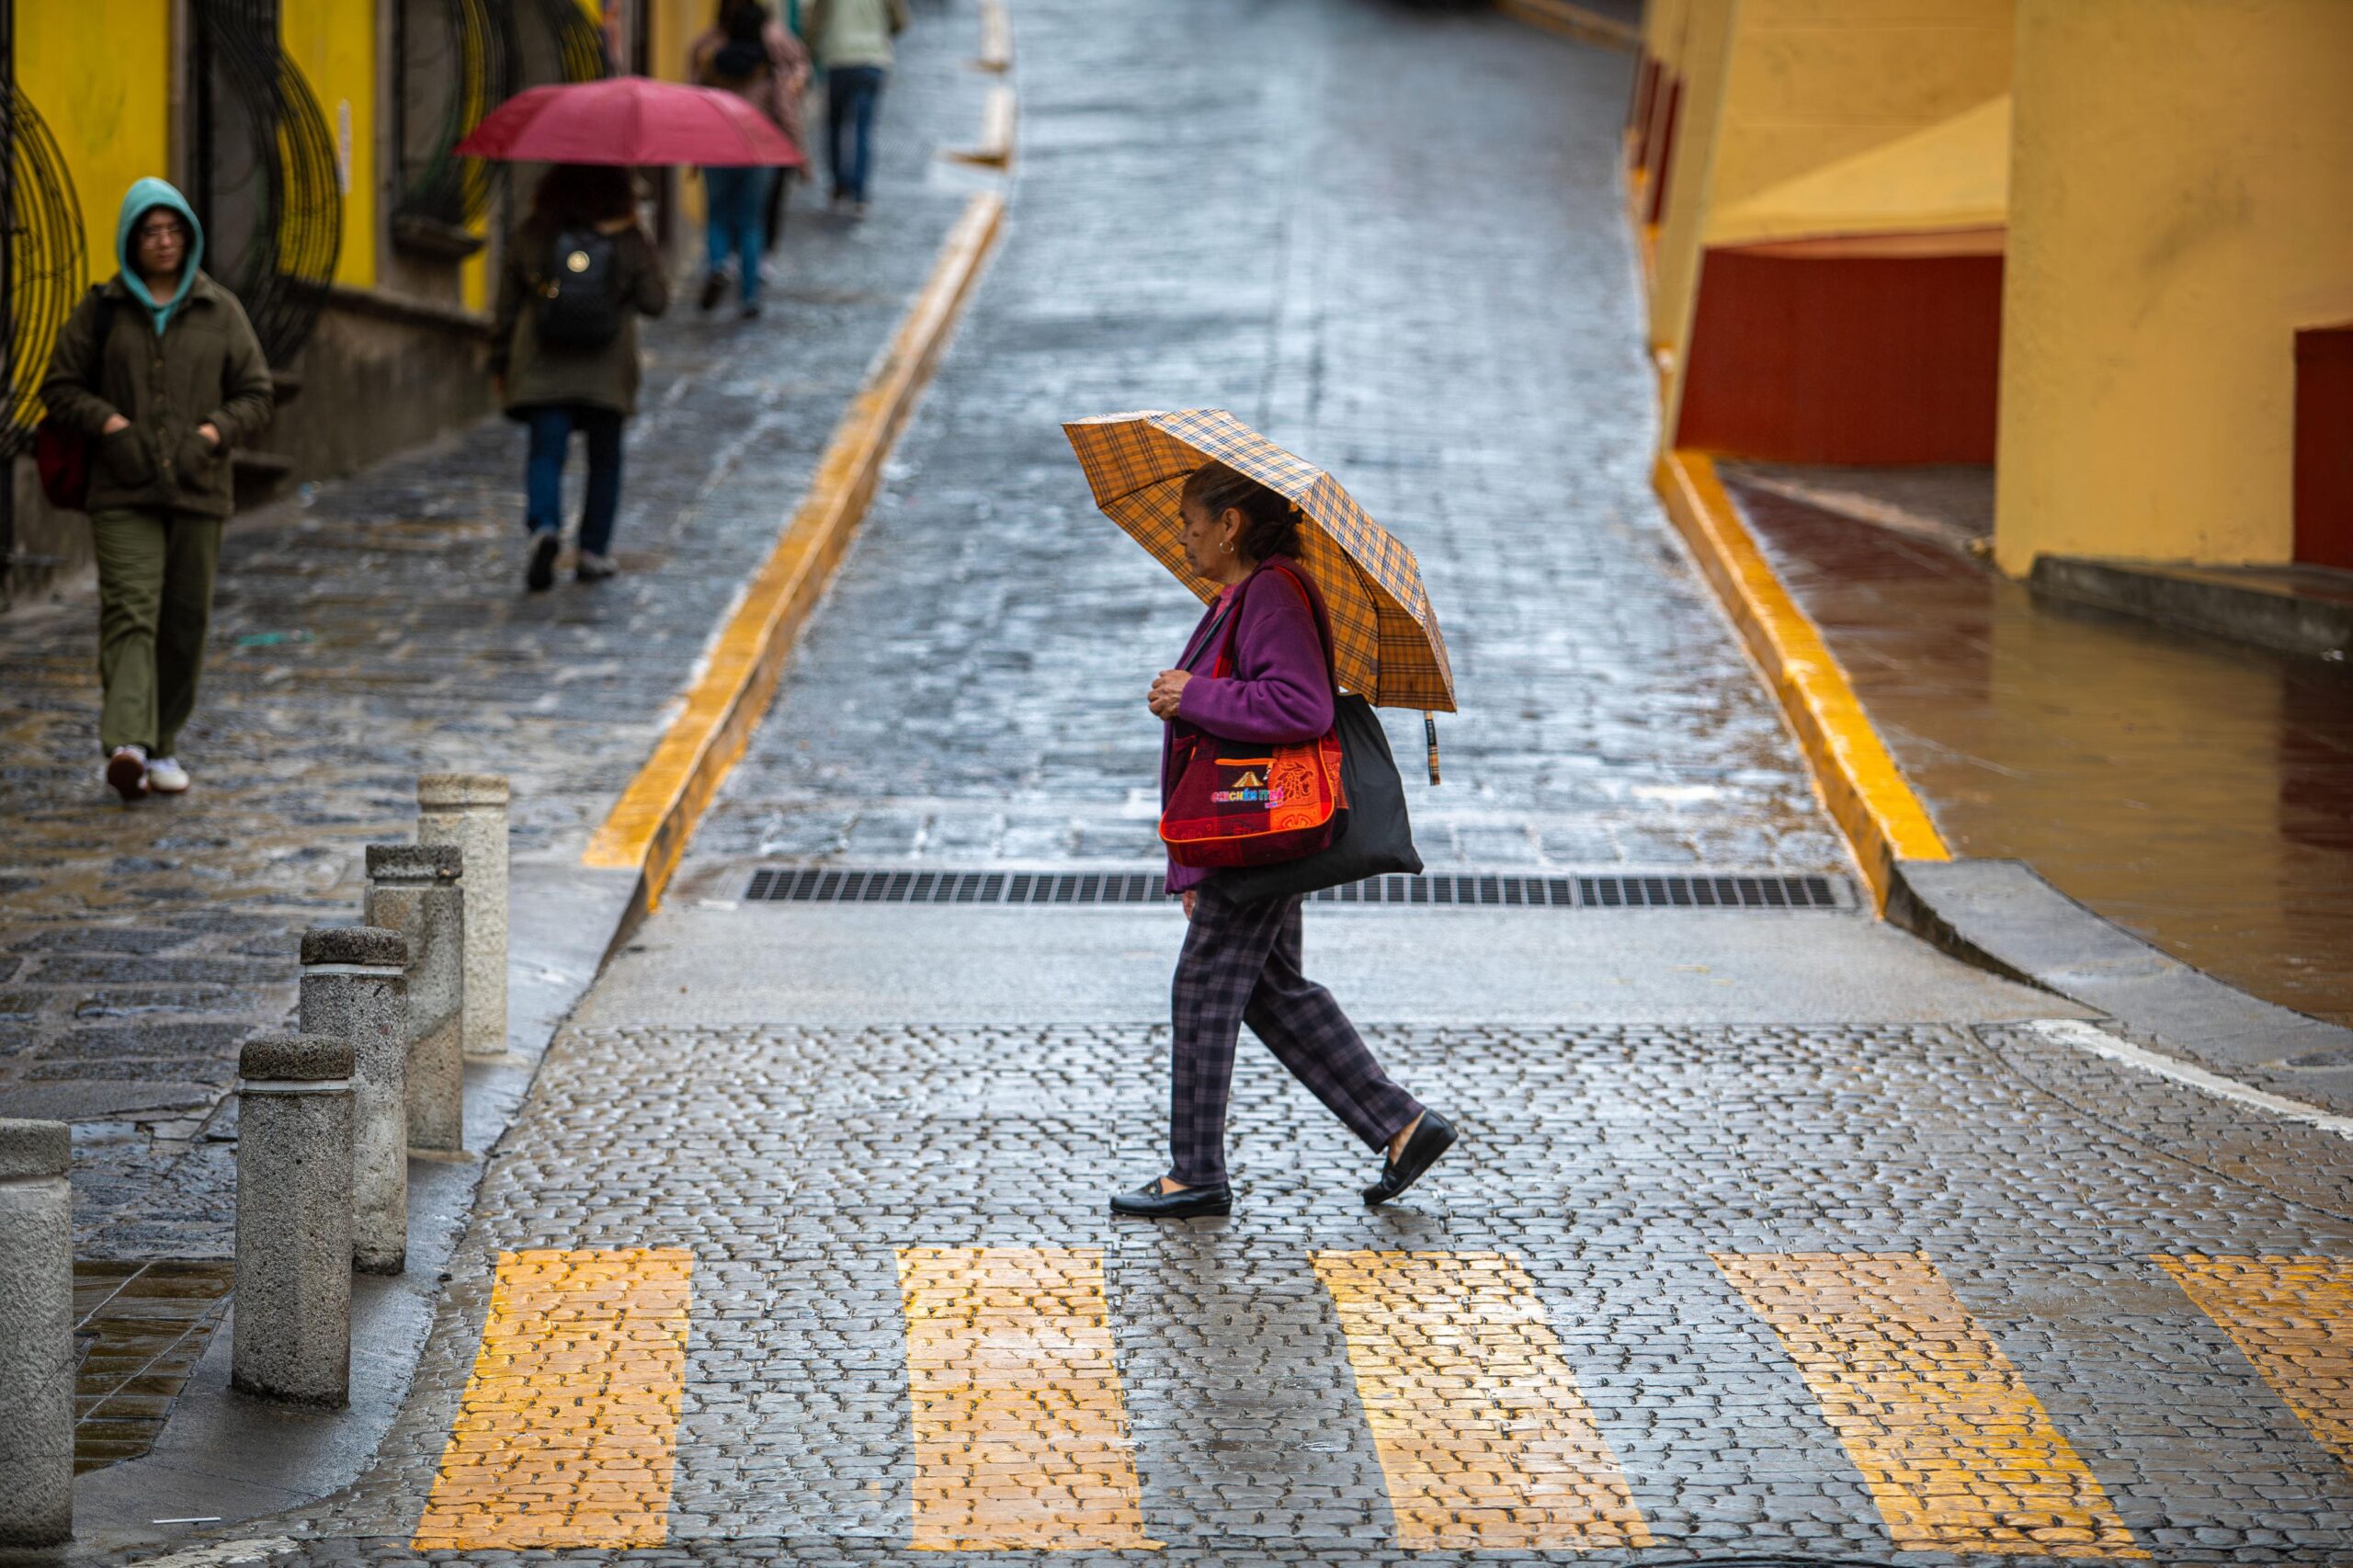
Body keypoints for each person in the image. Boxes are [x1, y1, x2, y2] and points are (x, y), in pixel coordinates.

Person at [1111, 462, 1459, 1219]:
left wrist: (1188, 693)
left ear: (1230, 523)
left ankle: (1194, 1172)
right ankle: (1401, 1126)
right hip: (1247, 831)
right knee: (1269, 989)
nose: (1185, 538)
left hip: (1257, 831)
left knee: (1205, 985)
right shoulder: (1240, 596)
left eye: (1192, 524)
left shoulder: (1272, 591)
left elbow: (1299, 704)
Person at [39, 177, 274, 804]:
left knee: (184, 620)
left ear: (189, 236)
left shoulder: (220, 309)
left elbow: (256, 394)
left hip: (199, 488)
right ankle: (127, 745)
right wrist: (111, 424)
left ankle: (163, 741)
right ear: (131, 240)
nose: (162, 241)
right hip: (122, 487)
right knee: (130, 610)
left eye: (173, 230)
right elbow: (60, 386)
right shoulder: (102, 309)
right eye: (150, 231)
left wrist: (211, 433)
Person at [491, 164, 669, 592]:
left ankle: (545, 527)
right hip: (607, 372)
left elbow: (506, 307)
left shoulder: (535, 231)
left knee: (545, 455)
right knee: (605, 461)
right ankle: (592, 551)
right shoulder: (627, 239)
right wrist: (639, 244)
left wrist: (500, 362)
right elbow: (656, 302)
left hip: (542, 366)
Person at [691, 0, 811, 316]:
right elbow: (786, 113)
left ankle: (718, 266)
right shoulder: (769, 67)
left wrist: (693, 154)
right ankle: (749, 296)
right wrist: (800, 158)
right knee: (750, 221)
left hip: (717, 150)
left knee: (717, 216)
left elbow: (696, 104)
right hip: (759, 153)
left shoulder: (712, 64)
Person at [805, 0, 908, 218]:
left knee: (835, 125)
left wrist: (812, 49)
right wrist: (881, 35)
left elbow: (815, 23)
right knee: (863, 128)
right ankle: (860, 191)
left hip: (839, 59)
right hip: (872, 59)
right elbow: (900, 20)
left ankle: (839, 184)